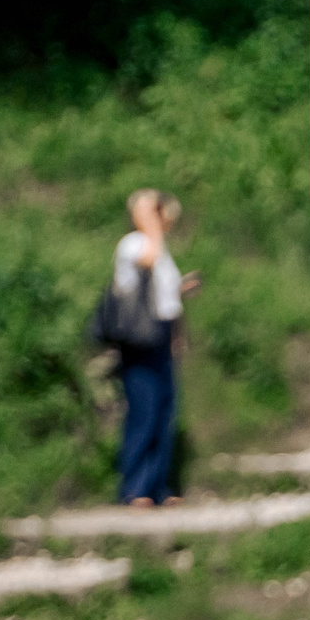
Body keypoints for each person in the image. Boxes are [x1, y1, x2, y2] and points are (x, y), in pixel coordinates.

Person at [113, 189, 198, 506]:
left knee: (164, 409)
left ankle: (158, 486)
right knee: (143, 408)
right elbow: (145, 263)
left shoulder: (160, 248)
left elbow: (166, 296)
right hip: (139, 335)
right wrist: (147, 219)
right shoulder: (134, 243)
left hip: (161, 334)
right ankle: (135, 488)